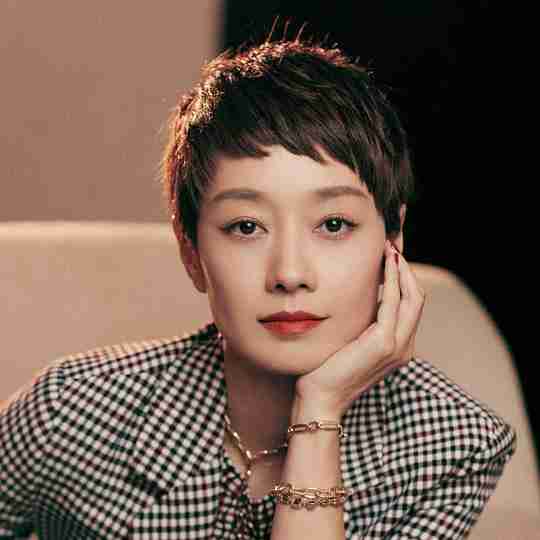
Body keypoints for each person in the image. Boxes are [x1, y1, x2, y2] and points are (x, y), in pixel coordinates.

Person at [0, 22, 516, 540]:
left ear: (393, 240)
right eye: (246, 227)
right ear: (191, 252)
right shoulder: (70, 410)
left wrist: (319, 409)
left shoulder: (454, 445)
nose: (290, 273)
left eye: (333, 224)